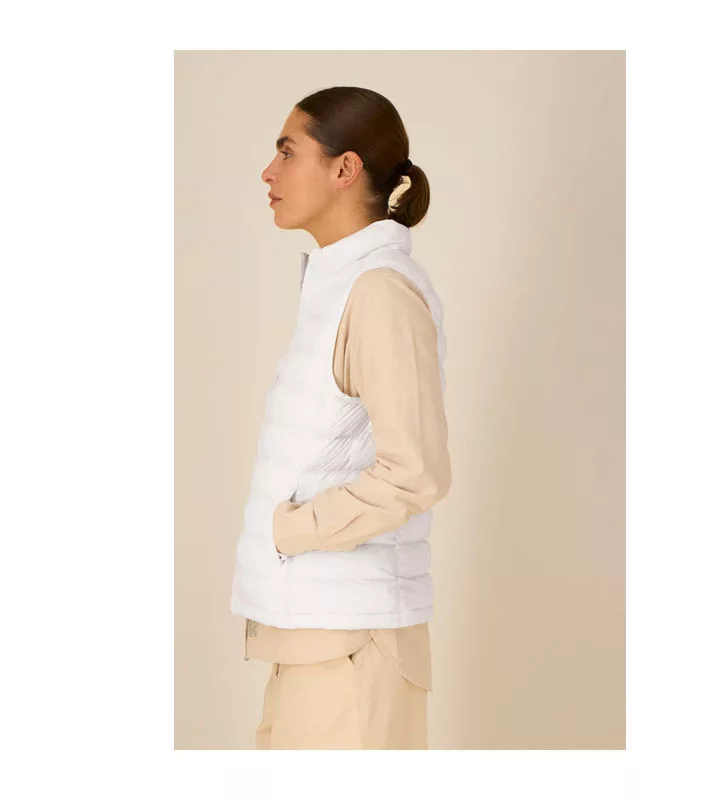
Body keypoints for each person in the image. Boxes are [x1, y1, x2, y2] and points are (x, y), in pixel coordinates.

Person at [230, 86, 451, 749]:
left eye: (287, 152)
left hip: (352, 650)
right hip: (314, 644)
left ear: (345, 168)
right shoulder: (336, 286)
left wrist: (291, 529)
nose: (268, 172)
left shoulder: (378, 292)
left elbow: (415, 472)